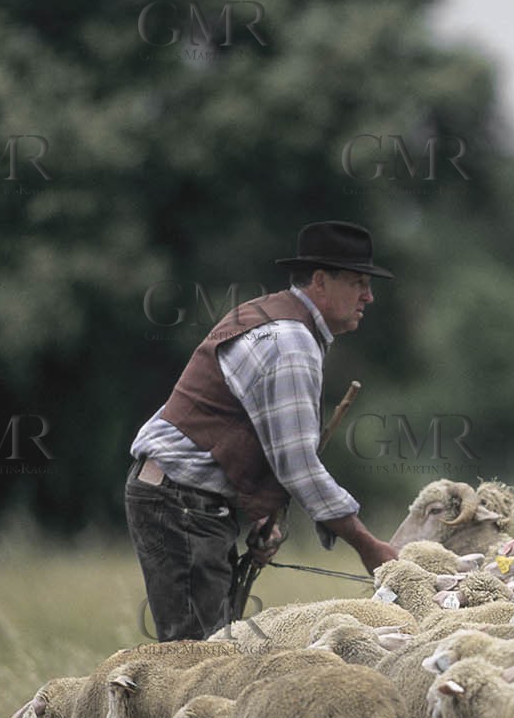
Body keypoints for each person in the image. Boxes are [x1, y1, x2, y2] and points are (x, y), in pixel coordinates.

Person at [125, 220, 400, 641]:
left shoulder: (269, 316)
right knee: (197, 658)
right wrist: (368, 545)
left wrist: (261, 511)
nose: (369, 296)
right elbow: (298, 466)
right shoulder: (292, 343)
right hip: (180, 503)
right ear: (320, 281)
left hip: (182, 498)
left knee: (211, 652)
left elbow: (253, 435)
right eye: (358, 283)